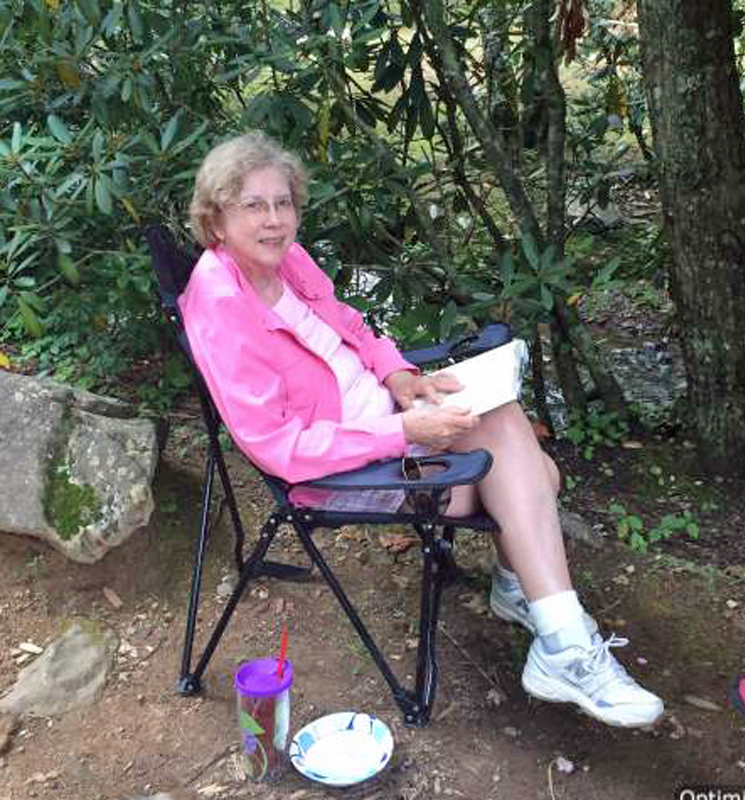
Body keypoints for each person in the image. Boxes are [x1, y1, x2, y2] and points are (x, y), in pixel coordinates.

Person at [179, 130, 664, 728]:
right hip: (348, 471)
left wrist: (403, 377)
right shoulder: (221, 305)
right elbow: (279, 449)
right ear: (217, 219)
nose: (275, 220)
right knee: (525, 465)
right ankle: (561, 642)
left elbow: (352, 328)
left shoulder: (286, 261)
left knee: (529, 462)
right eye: (253, 206)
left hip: (387, 419)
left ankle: (529, 599)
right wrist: (404, 429)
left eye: (284, 203)